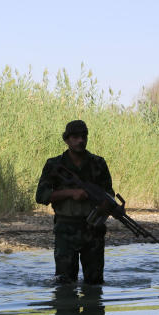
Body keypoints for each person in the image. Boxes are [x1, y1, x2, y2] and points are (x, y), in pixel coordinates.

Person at [35, 120, 114, 284]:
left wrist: (108, 206)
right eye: (75, 137)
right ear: (67, 139)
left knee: (95, 284)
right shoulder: (54, 165)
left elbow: (109, 195)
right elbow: (41, 196)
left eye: (83, 136)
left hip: (93, 230)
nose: (80, 141)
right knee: (64, 283)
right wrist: (71, 193)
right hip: (65, 230)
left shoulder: (98, 164)